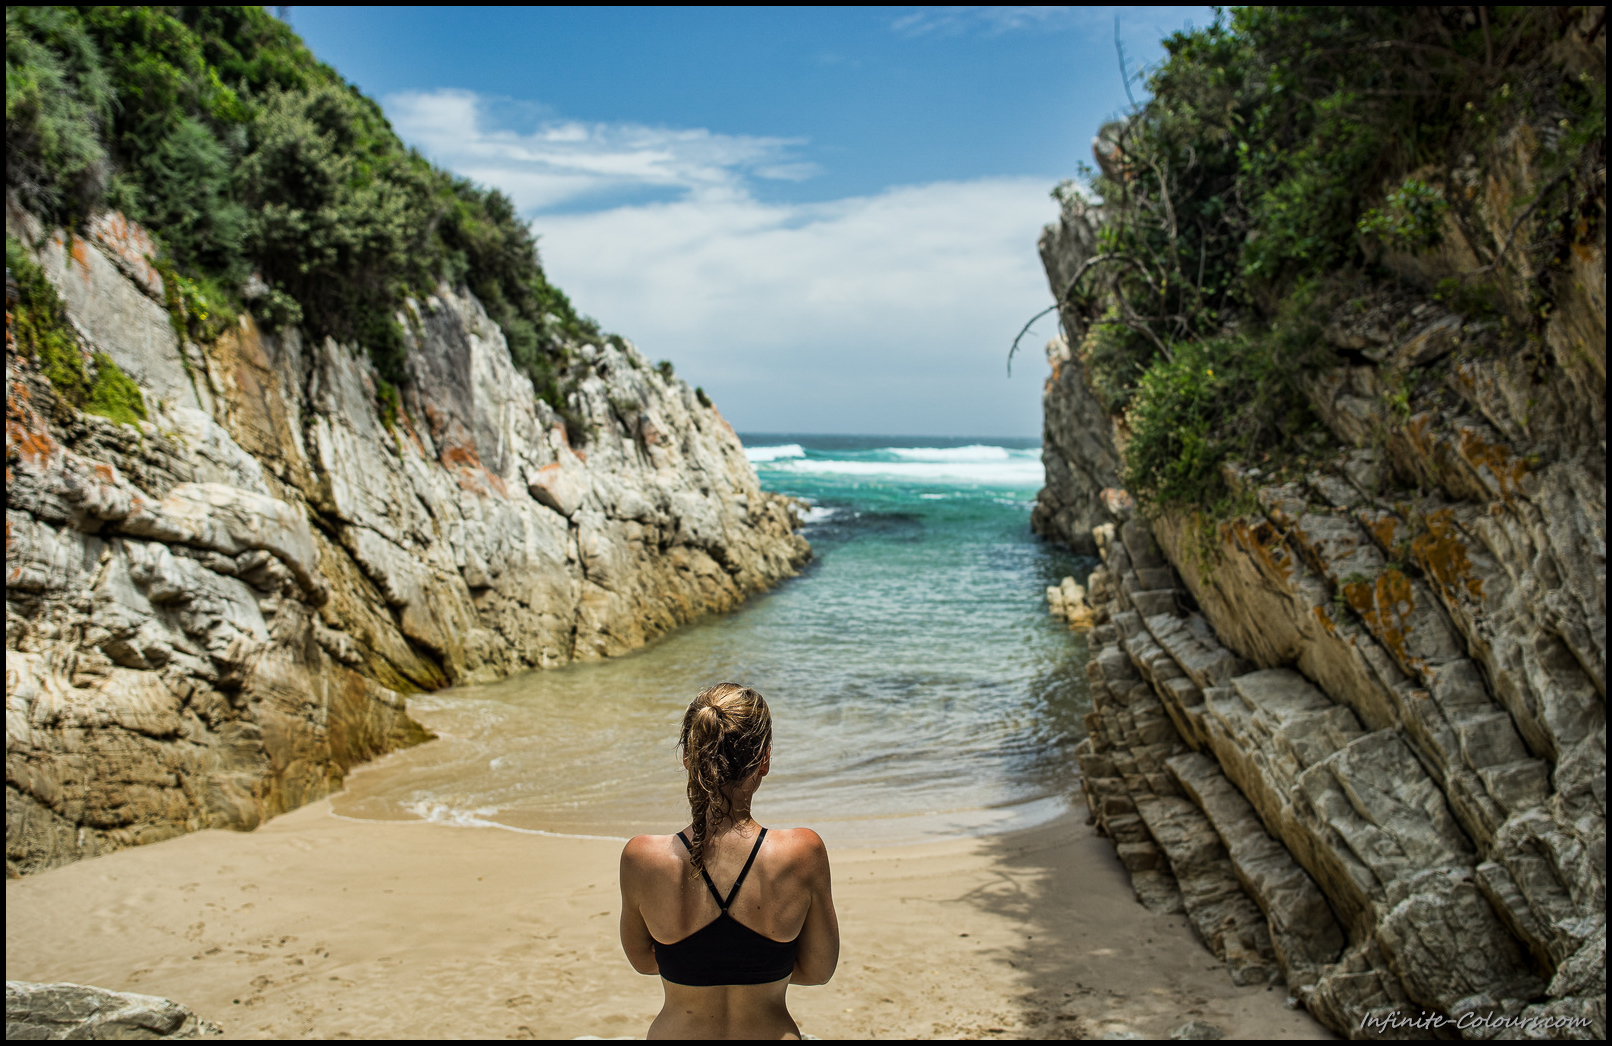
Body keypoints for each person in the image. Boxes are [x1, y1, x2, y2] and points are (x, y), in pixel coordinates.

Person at [619, 683, 839, 1039]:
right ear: (764, 760)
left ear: (689, 759)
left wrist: (703, 964)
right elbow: (818, 970)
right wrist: (760, 966)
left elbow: (645, 961)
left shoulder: (642, 858)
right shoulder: (802, 852)